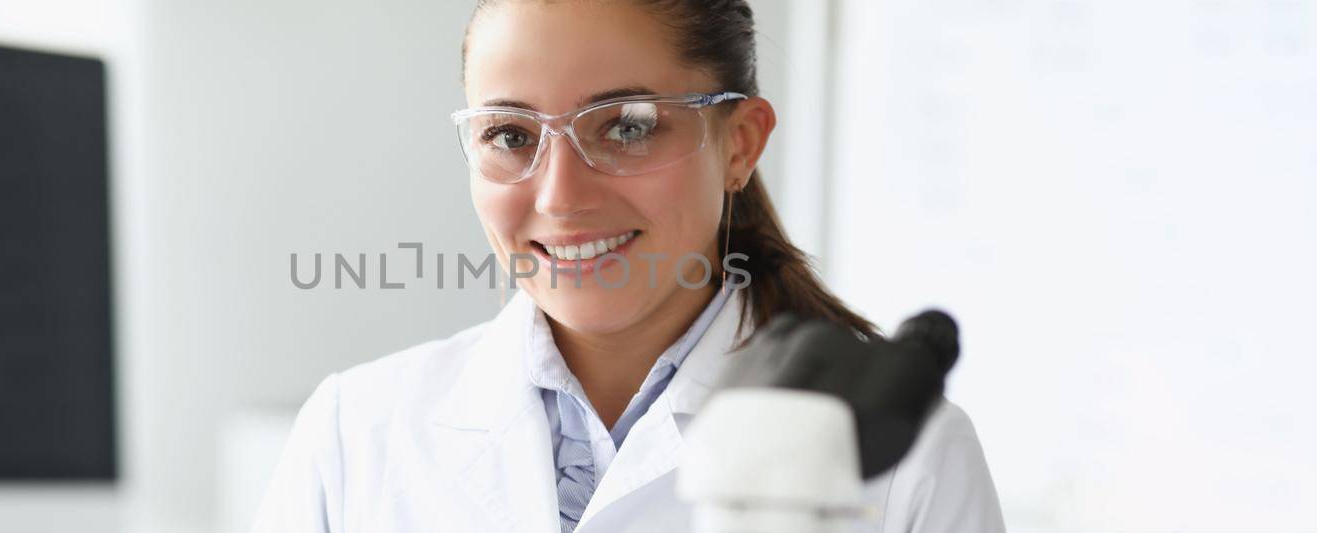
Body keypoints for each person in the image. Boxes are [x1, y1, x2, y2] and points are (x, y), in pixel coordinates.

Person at [252, 1, 1005, 532]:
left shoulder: (909, 454)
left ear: (739, 143)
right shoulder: (357, 431)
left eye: (627, 127)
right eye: (510, 135)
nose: (560, 195)